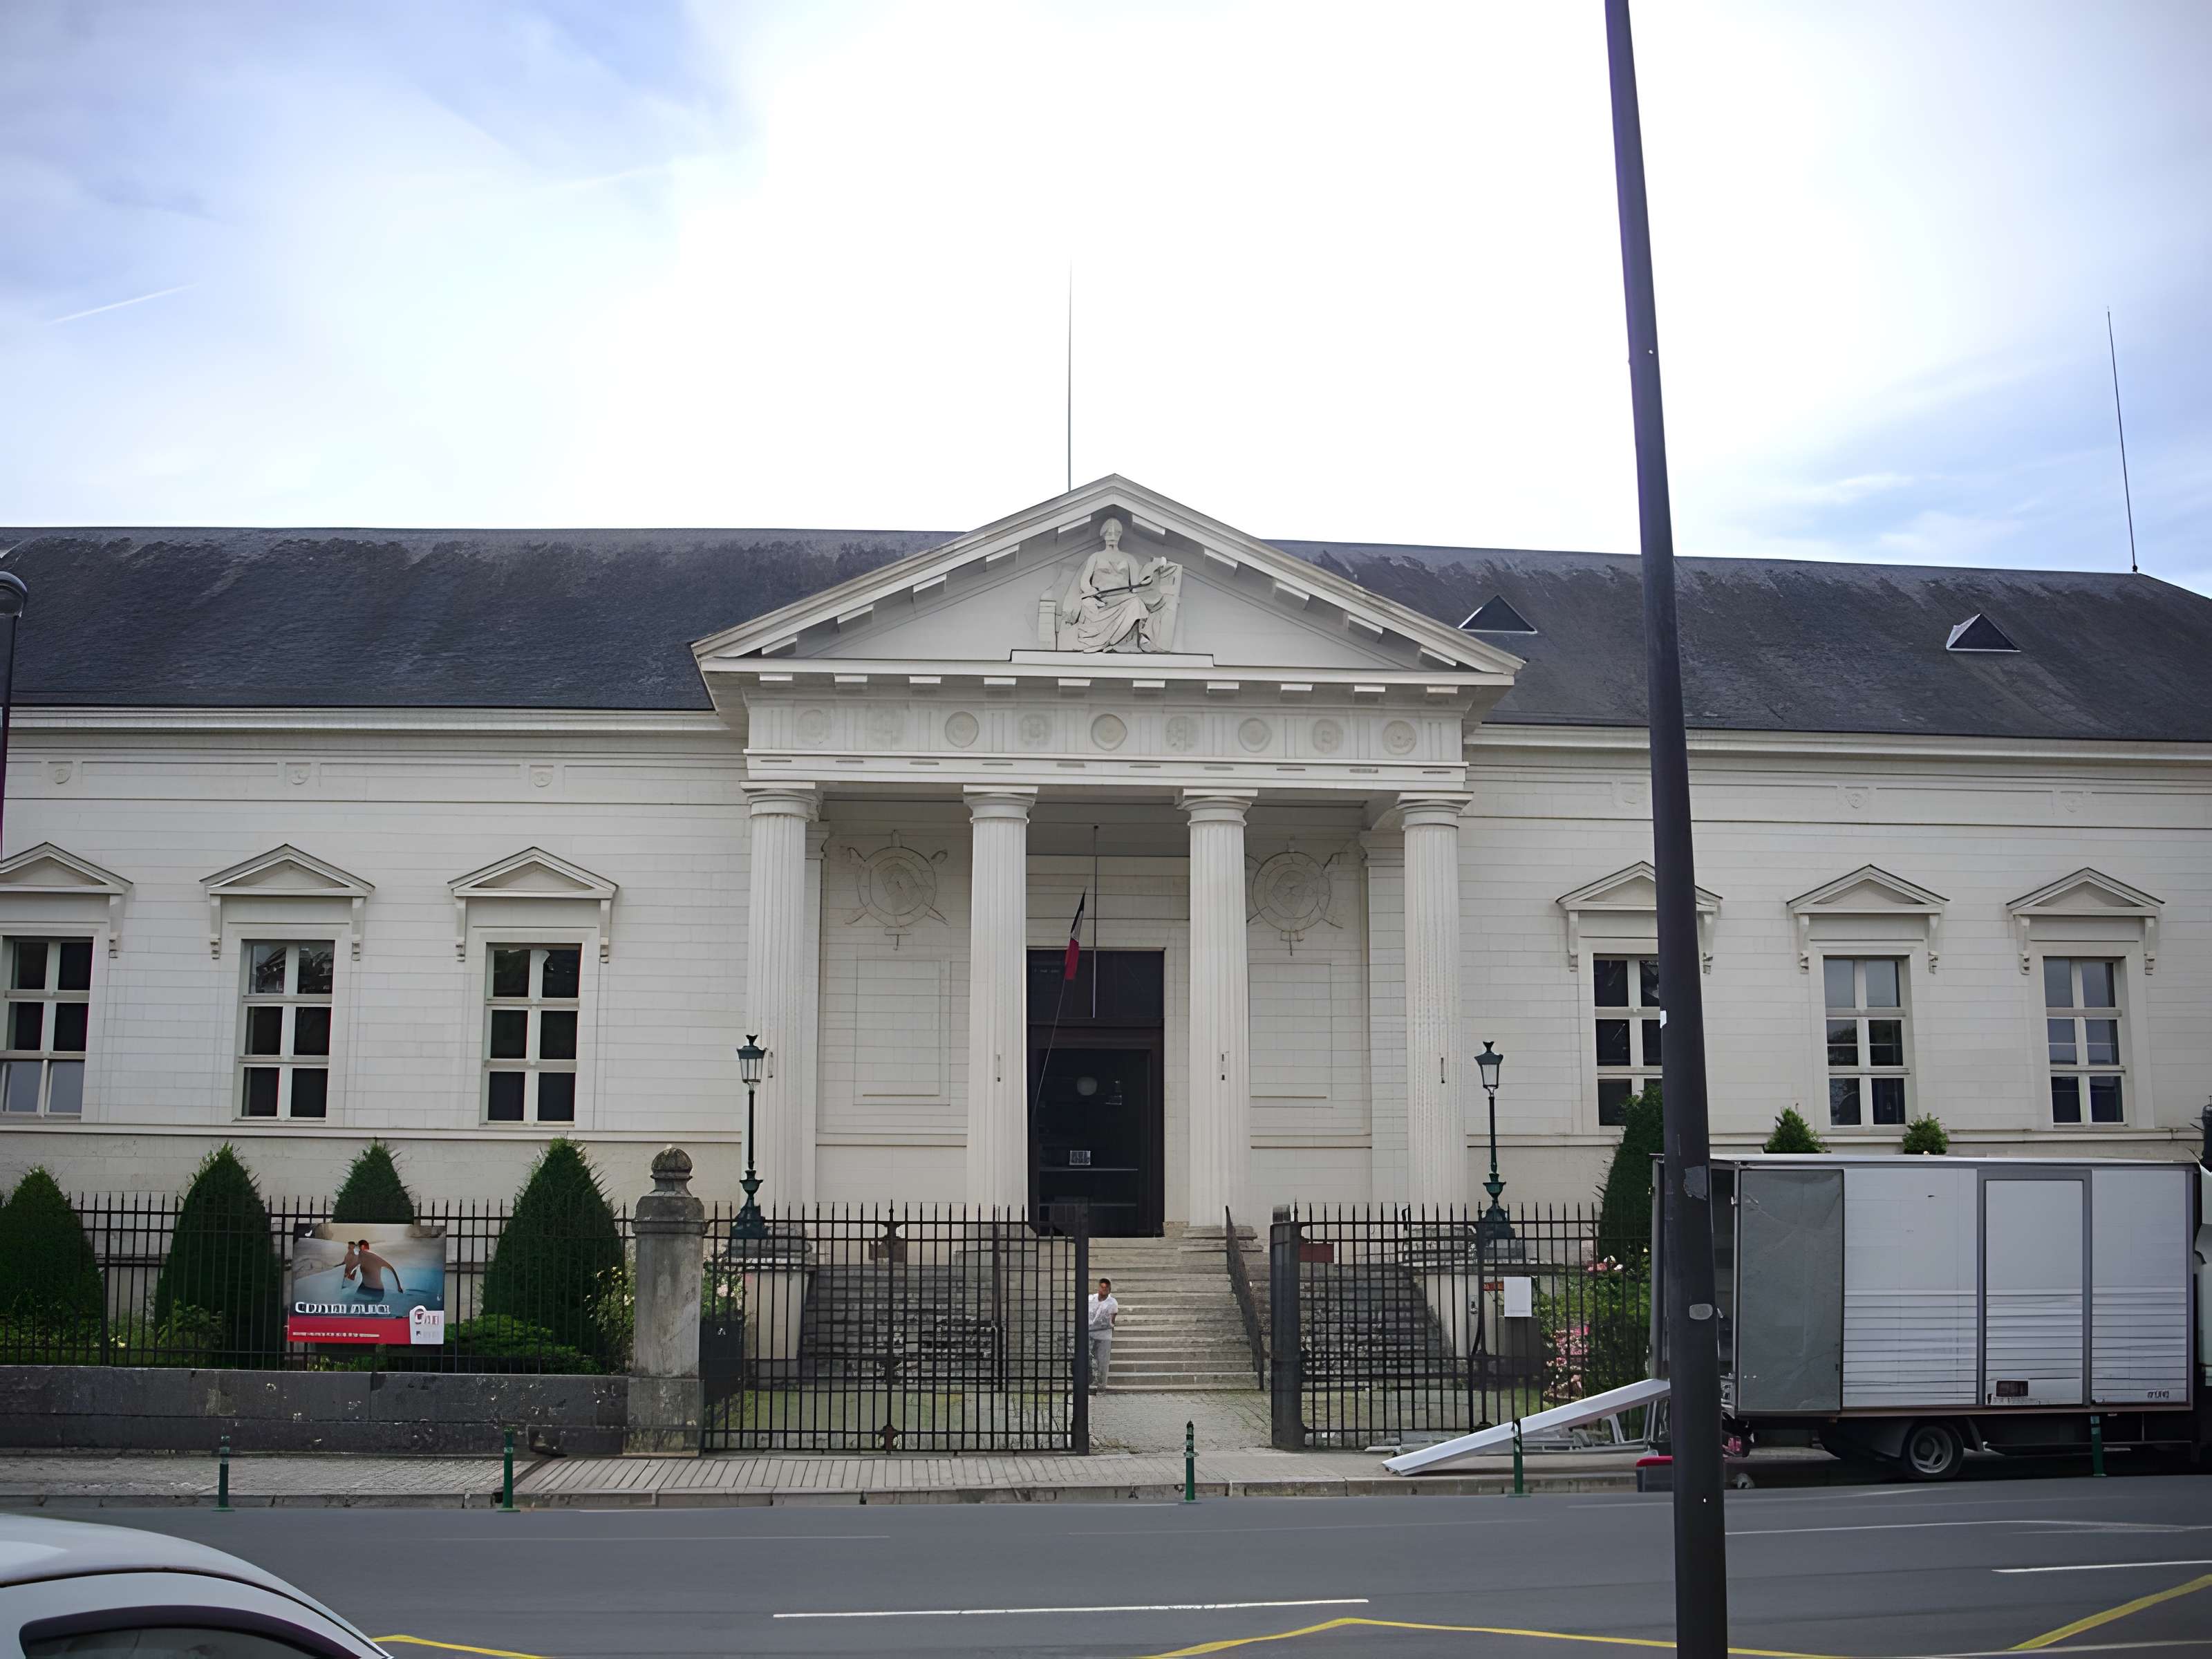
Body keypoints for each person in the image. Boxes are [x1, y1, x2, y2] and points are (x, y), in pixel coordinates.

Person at [341, 1239, 405, 1302]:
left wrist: (347, 1273)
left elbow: (351, 1266)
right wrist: (399, 1287)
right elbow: (392, 1269)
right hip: (380, 1292)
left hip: (367, 1289)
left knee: (357, 1307)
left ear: (362, 1247)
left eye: (358, 1247)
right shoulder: (377, 1258)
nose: (357, 1249)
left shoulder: (362, 1254)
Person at [1086, 1276, 1118, 1393]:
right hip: (1089, 1333)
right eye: (1102, 1287)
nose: (1104, 1289)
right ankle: (1089, 1380)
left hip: (1104, 1335)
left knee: (1103, 1361)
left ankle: (1101, 1385)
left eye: (1106, 1288)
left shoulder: (1112, 1302)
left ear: (1110, 1289)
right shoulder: (1090, 1299)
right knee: (1086, 1358)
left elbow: (1112, 1322)